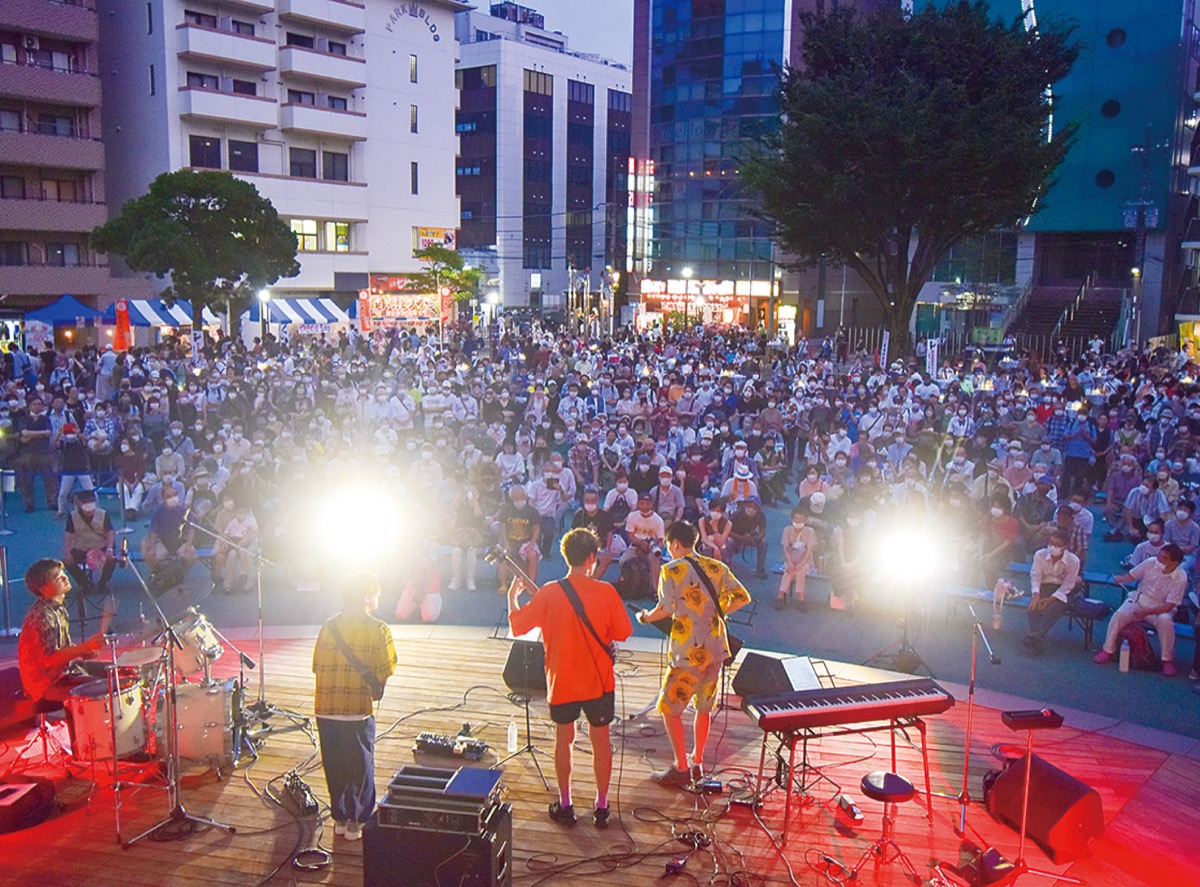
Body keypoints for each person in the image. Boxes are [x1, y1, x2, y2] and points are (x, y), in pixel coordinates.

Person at [507, 528, 632, 827]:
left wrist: (513, 597)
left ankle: (566, 803)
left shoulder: (550, 591)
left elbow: (519, 627)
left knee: (564, 740)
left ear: (566, 555)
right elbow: (623, 633)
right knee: (601, 741)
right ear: (591, 558)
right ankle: (601, 806)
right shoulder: (606, 592)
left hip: (561, 680)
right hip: (599, 683)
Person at [634, 522, 751, 787]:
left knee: (669, 708)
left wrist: (644, 617)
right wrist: (714, 610)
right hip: (716, 648)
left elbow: (665, 608)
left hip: (689, 651)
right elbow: (743, 597)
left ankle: (680, 767)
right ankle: (697, 760)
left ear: (674, 543)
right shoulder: (716, 567)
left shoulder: (671, 570)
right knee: (704, 706)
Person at [313, 572, 397, 842]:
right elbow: (387, 667)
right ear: (366, 597)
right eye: (376, 593)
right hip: (356, 710)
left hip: (325, 708)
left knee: (334, 763)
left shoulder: (327, 627)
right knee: (360, 766)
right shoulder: (379, 629)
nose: (378, 598)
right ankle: (356, 822)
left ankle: (338, 817)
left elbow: (317, 666)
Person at [18, 558, 113, 704]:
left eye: (63, 573)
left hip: (64, 672)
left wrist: (84, 651)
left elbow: (63, 649)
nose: (64, 577)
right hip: (47, 684)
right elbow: (50, 659)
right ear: (43, 588)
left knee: (115, 672)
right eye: (57, 578)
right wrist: (86, 646)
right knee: (107, 688)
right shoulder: (41, 616)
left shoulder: (57, 609)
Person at [1093, 544, 1187, 676]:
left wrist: (1146, 612)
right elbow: (1131, 576)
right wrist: (1122, 579)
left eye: (1164, 558)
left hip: (1161, 609)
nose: (1159, 559)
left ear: (1175, 563)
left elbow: (1169, 606)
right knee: (1120, 614)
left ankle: (1167, 660)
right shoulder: (1150, 563)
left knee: (1165, 622)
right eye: (1160, 555)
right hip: (1139, 601)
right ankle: (1108, 650)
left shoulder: (1181, 578)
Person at [1023, 530, 1082, 652]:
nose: (1052, 547)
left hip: (1063, 591)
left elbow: (1068, 585)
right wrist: (1036, 594)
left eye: (1057, 544)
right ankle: (1036, 638)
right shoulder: (1040, 555)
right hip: (1045, 586)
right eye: (1051, 543)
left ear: (1065, 547)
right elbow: (1035, 575)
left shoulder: (1073, 561)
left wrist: (1051, 599)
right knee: (1033, 608)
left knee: (1054, 608)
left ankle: (1034, 636)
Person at [63, 490, 116, 595]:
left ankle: (103, 583)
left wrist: (109, 548)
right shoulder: (73, 516)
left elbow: (110, 533)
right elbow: (68, 536)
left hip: (100, 544)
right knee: (67, 562)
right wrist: (67, 553)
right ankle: (84, 582)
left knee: (112, 559)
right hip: (82, 546)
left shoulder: (103, 514)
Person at [778, 507, 816, 610]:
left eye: (800, 519)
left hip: (805, 561)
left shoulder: (810, 531)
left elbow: (809, 550)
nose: (798, 521)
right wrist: (790, 562)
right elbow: (785, 548)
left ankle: (801, 598)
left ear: (805, 520)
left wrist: (801, 563)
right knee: (788, 571)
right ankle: (780, 596)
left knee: (800, 571)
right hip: (790, 559)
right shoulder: (787, 530)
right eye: (796, 518)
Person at [727, 495, 768, 578]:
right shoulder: (736, 514)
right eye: (749, 506)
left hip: (750, 536)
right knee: (729, 541)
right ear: (744, 506)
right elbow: (728, 531)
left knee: (763, 542)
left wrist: (757, 538)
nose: (751, 509)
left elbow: (762, 531)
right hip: (735, 536)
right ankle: (727, 567)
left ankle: (760, 569)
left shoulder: (761, 515)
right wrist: (742, 538)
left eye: (754, 507)